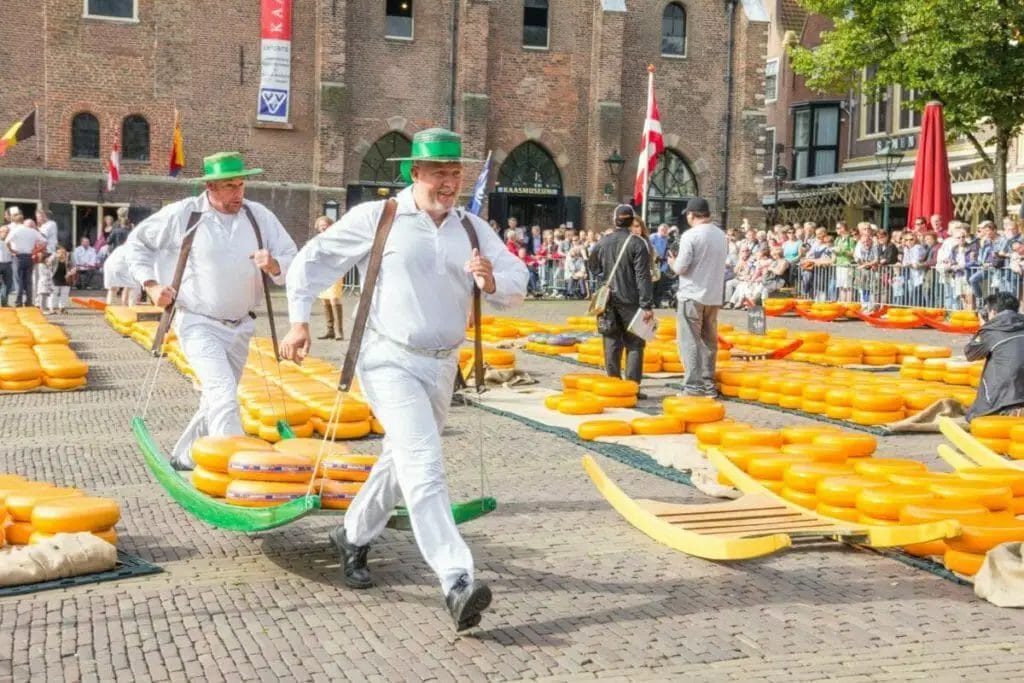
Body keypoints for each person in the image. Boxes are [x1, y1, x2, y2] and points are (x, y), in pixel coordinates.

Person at [278, 128, 528, 631]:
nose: (449, 182)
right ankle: (456, 579)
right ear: (414, 173)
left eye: (456, 173)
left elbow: (518, 282)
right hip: (387, 358)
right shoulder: (381, 217)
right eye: (439, 173)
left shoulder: (472, 229)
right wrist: (300, 319)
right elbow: (312, 259)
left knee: (400, 459)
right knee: (424, 461)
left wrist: (493, 280)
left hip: (443, 366)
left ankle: (352, 535)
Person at [123, 151, 297, 470]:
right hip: (198, 322)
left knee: (216, 398)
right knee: (223, 393)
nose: (238, 193)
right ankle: (233, 470)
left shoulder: (259, 216)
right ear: (211, 187)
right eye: (230, 186)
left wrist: (275, 265)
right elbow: (137, 243)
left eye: (242, 184)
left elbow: (291, 256)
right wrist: (149, 284)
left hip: (242, 325)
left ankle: (186, 456)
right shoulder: (185, 215)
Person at [588, 204, 655, 396]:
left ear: (614, 220)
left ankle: (614, 385)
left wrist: (603, 277)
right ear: (631, 220)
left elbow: (592, 265)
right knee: (634, 343)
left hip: (608, 299)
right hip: (631, 299)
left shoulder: (603, 242)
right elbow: (643, 276)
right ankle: (632, 387)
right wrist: (646, 304)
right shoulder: (637, 243)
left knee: (611, 340)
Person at [672, 197, 727, 397]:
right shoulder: (722, 235)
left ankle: (693, 387)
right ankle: (708, 383)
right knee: (709, 341)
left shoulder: (690, 235)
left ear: (691, 215)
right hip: (713, 295)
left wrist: (672, 263)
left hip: (692, 294)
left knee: (689, 341)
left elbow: (681, 267)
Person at [965, 292, 1024, 418]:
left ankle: (1007, 409)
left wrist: (983, 326)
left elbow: (970, 354)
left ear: (993, 312)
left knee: (974, 415)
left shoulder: (991, 331)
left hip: (1005, 399)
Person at [4, 206, 46, 307]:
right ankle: (29, 301)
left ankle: (18, 302)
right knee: (28, 280)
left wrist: (12, 251)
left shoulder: (14, 231)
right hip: (29, 257)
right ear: (23, 221)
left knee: (18, 280)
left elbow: (6, 242)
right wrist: (35, 250)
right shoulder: (33, 231)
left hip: (18, 257)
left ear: (15, 221)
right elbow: (44, 242)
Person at [313, 215, 345, 340]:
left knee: (334, 298)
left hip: (334, 271)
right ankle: (330, 330)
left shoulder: (336, 238)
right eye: (320, 226)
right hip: (322, 272)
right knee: (325, 299)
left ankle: (339, 331)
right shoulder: (318, 239)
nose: (323, 228)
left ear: (331, 225)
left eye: (325, 225)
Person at [47, 246, 73, 314]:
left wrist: (70, 273)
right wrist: (54, 256)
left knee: (64, 294)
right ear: (57, 252)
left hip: (65, 279)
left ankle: (62, 308)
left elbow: (73, 267)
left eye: (63, 252)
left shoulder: (68, 259)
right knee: (53, 294)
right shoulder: (54, 259)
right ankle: (51, 308)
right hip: (55, 278)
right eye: (60, 252)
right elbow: (48, 262)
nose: (62, 254)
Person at [0, 224, 12, 307]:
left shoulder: (11, 241)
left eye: (8, 232)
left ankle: (4, 302)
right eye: (6, 232)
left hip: (8, 264)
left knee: (8, 284)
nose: (7, 234)